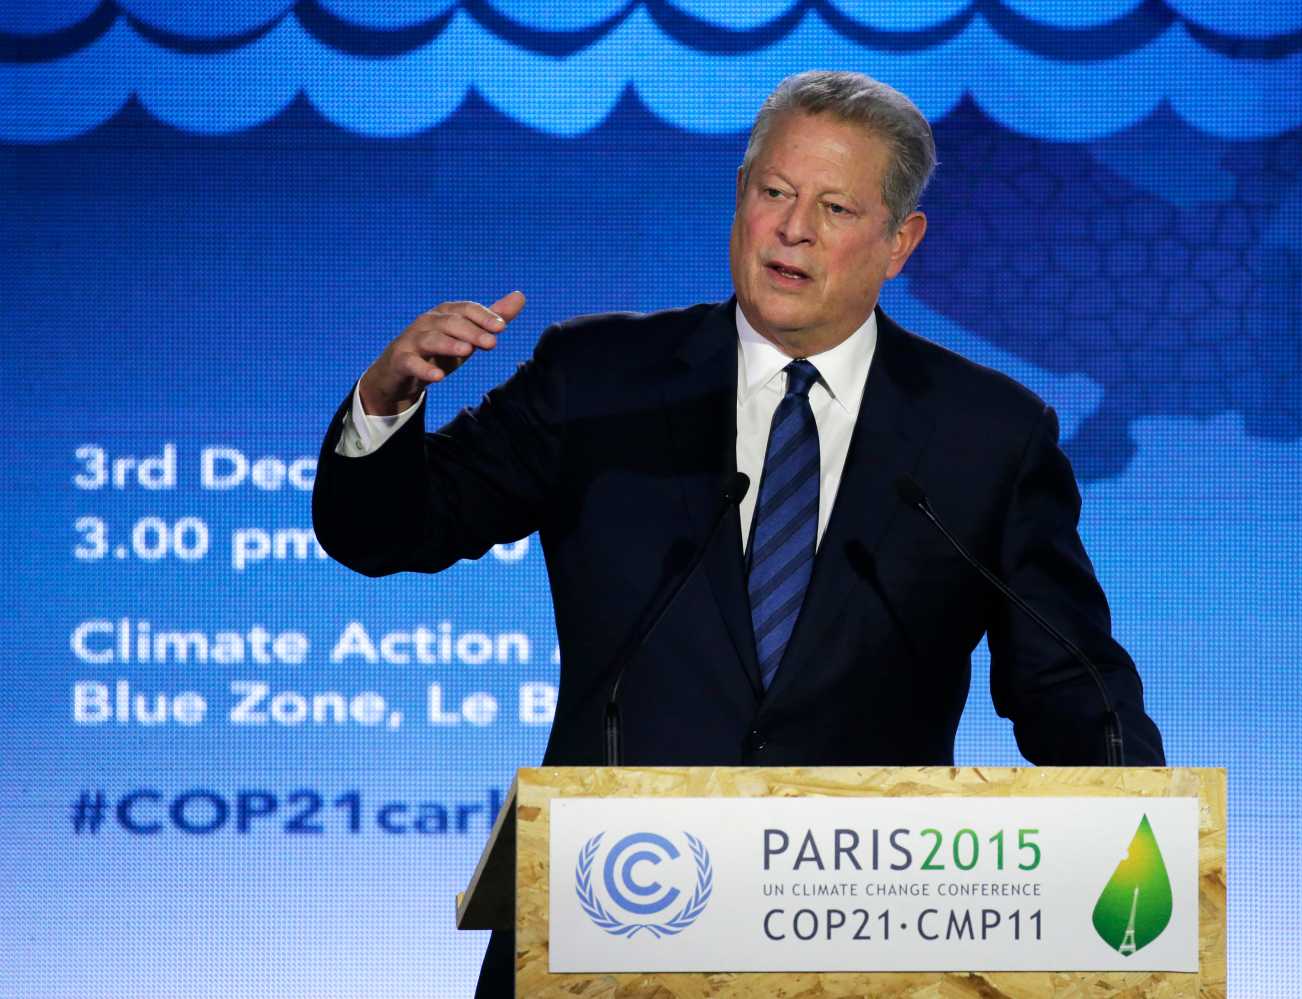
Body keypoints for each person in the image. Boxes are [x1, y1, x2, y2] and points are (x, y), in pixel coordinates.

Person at [312, 71, 1164, 996]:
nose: (793, 229)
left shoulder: (985, 436)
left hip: (857, 950)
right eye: (773, 193)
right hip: (604, 938)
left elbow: (1074, 691)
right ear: (741, 197)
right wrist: (385, 405)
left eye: (836, 207)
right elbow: (386, 531)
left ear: (899, 242)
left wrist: (1139, 850)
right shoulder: (601, 381)